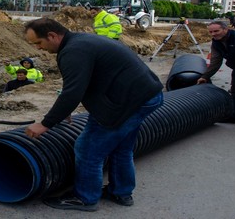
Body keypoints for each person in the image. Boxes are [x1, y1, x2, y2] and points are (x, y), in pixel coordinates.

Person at [23, 18, 163, 211]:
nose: (38, 48)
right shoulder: (83, 42)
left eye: (38, 43)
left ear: (52, 36)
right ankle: (120, 192)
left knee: (88, 149)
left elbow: (72, 91)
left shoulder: (73, 51)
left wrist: (46, 123)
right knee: (121, 148)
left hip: (126, 103)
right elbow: (81, 84)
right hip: (146, 97)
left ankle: (85, 198)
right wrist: (66, 109)